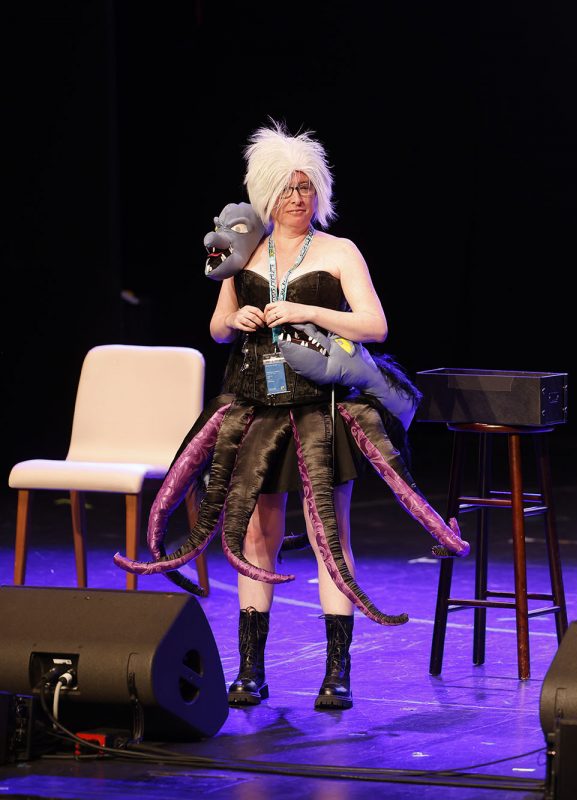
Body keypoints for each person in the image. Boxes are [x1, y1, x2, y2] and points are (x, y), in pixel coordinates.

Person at [210, 121, 388, 711]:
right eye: (287, 187)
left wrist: (308, 310)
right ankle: (250, 670)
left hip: (318, 409)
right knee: (255, 534)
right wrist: (234, 319)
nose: (296, 197)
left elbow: (374, 325)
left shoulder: (339, 251)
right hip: (256, 406)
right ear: (265, 192)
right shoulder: (243, 250)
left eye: (306, 187)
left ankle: (337, 672)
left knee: (327, 535)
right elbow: (217, 328)